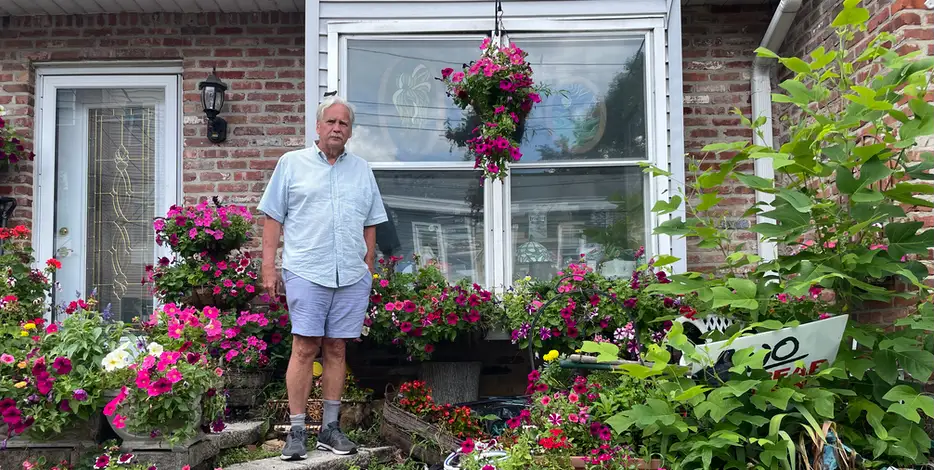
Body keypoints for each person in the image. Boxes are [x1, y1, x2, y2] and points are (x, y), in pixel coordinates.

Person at [258, 95, 388, 460]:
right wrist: (269, 268)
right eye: (330, 122)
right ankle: (297, 431)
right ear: (317, 126)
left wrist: (368, 270)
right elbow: (272, 219)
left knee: (337, 348)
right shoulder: (291, 164)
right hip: (306, 270)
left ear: (350, 131)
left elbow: (370, 225)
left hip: (350, 275)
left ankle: (330, 429)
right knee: (304, 347)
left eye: (343, 124)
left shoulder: (362, 169)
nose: (336, 128)